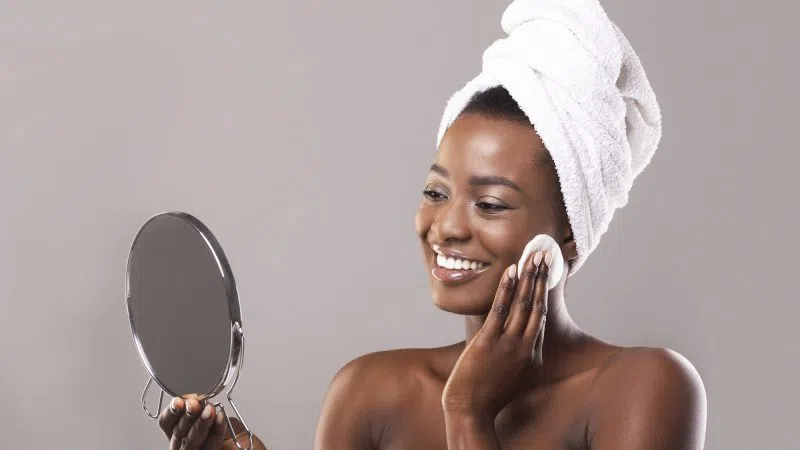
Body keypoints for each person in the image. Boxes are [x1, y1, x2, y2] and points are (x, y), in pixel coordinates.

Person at [156, 1, 708, 448]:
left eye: (490, 204)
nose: (445, 227)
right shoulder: (370, 394)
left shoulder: (644, 388)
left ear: (568, 232)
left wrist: (468, 414)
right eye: (436, 193)